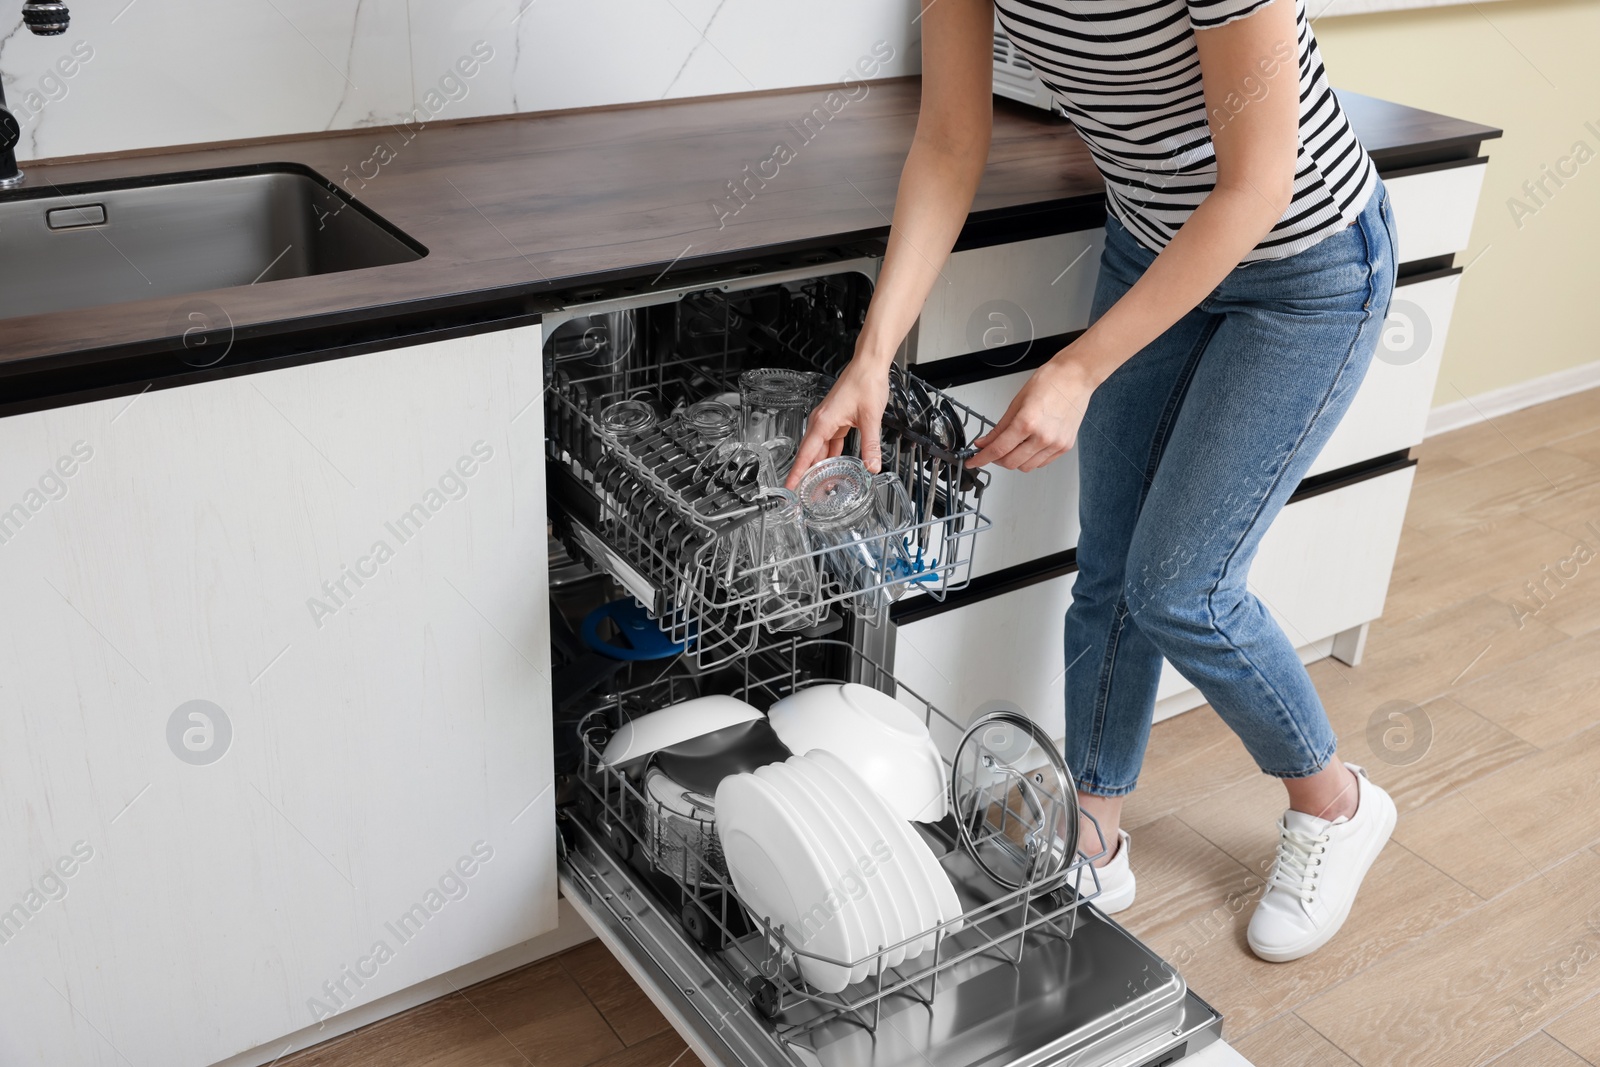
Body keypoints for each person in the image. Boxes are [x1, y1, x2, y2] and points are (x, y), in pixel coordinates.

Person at [787, 0, 1398, 963]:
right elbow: (950, 141)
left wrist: (1077, 368)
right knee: (1109, 570)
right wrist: (873, 354)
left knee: (1180, 588)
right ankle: (1097, 830)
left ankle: (1337, 803)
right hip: (1153, 242)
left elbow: (1255, 184)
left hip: (1303, 264)